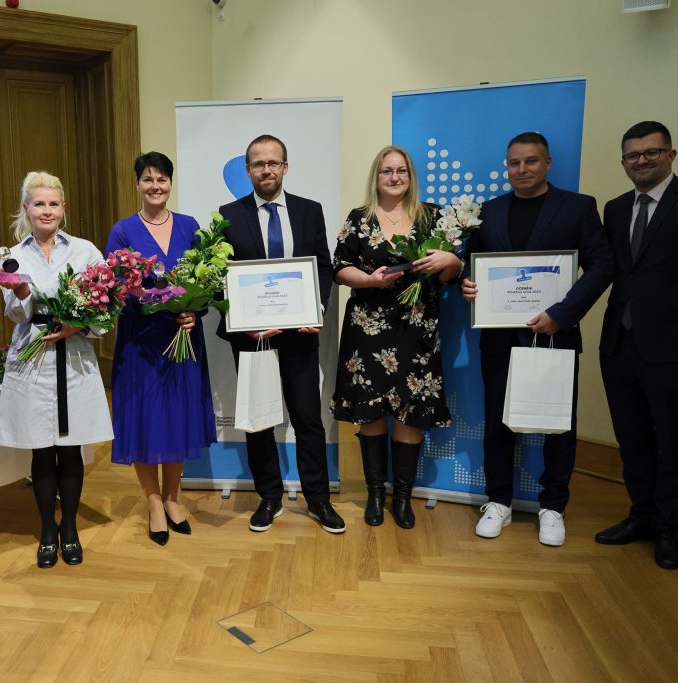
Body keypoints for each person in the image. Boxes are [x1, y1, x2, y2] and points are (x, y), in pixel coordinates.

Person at [461, 132, 613, 547]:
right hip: (498, 337)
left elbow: (602, 264)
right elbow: (472, 265)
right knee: (498, 421)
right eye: (514, 163)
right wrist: (467, 284)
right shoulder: (489, 212)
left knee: (557, 423)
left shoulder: (578, 207)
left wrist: (561, 315)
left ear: (547, 163)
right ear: (507, 166)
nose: (522, 169)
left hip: (554, 335)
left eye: (531, 161)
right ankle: (498, 502)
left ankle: (553, 506)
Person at [332, 145, 461, 529]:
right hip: (367, 328)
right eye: (386, 171)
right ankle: (375, 495)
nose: (394, 177)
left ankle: (402, 498)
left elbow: (451, 273)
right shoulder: (359, 218)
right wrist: (369, 280)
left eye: (401, 170)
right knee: (370, 411)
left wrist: (451, 261)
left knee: (411, 411)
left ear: (410, 176)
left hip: (417, 329)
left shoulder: (433, 217)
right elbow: (339, 267)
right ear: (376, 176)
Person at [217, 134, 341, 534]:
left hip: (299, 333)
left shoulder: (309, 210)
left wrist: (316, 308)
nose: (266, 170)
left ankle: (318, 500)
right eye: (258, 164)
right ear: (248, 170)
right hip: (252, 337)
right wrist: (244, 320)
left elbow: (323, 266)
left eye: (273, 163)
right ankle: (268, 497)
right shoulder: (228, 215)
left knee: (308, 419)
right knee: (259, 419)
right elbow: (220, 277)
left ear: (285, 167)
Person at [0, 171, 113, 568]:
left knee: (71, 447)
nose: (46, 211)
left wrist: (78, 324)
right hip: (32, 359)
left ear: (63, 208)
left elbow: (106, 304)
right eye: (39, 204)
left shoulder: (85, 251)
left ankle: (70, 529)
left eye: (53, 204)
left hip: (75, 358)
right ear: (26, 209)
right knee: (42, 451)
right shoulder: (13, 255)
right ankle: (48, 529)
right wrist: (21, 293)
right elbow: (16, 314)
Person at [105, 152, 216, 546]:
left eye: (162, 179)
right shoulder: (123, 231)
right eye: (148, 179)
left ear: (171, 183)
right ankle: (153, 501)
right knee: (144, 418)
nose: (156, 186)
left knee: (178, 417)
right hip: (141, 341)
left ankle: (172, 498)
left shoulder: (190, 226)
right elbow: (114, 289)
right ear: (137, 184)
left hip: (182, 338)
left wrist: (195, 310)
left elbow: (206, 280)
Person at [596, 121, 678, 569]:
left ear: (671, 155)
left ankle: (670, 527)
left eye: (651, 152)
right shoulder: (615, 208)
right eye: (632, 155)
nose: (641, 161)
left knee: (671, 441)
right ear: (624, 162)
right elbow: (606, 269)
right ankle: (642, 515)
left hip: (670, 347)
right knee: (631, 438)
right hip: (620, 344)